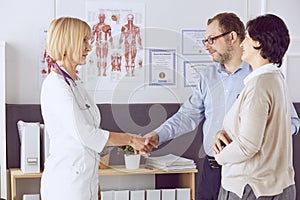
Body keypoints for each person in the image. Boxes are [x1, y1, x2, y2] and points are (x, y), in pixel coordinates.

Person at [144, 13, 300, 200]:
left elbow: (289, 123)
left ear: (232, 37)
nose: (207, 46)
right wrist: (157, 136)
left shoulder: (261, 77)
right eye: (205, 40)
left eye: (211, 39)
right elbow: (187, 116)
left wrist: (255, 139)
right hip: (213, 169)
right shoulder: (207, 76)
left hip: (250, 173)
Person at [40, 17, 150, 200]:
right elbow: (87, 134)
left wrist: (94, 181)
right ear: (67, 42)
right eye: (84, 41)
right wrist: (131, 139)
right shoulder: (55, 86)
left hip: (84, 180)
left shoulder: (75, 83)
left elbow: (90, 136)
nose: (89, 48)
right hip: (66, 185)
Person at [212, 14, 296, 200]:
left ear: (259, 43)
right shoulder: (274, 79)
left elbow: (248, 146)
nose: (242, 44)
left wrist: (219, 157)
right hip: (274, 184)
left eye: (248, 38)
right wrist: (223, 133)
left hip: (250, 187)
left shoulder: (259, 85)